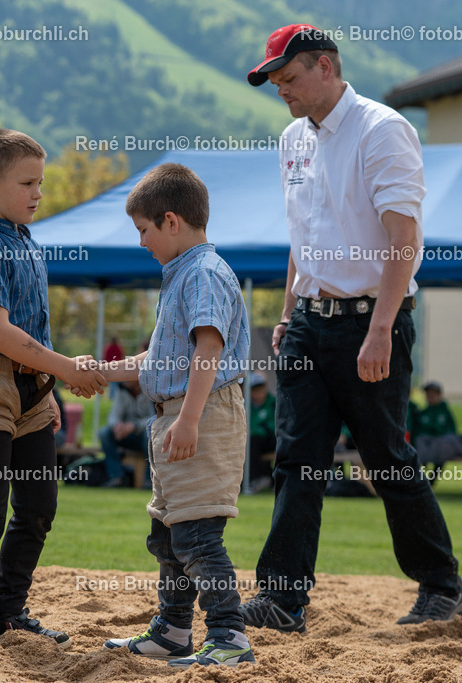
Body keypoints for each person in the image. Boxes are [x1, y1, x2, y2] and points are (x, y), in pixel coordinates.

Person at [243, 24, 462, 630]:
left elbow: (405, 239)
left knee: (385, 460)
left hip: (372, 323)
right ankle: (282, 598)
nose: (282, 92)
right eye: (275, 83)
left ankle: (442, 586)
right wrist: (290, 312)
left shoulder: (383, 128)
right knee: (295, 462)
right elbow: (302, 235)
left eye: (289, 79)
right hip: (307, 325)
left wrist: (381, 329)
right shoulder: (293, 138)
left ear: (325, 65)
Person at [0, 128, 106, 649]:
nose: (39, 192)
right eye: (28, 182)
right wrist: (65, 369)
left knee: (38, 507)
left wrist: (48, 389)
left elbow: (32, 330)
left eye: (41, 181)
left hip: (31, 393)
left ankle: (9, 609)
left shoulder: (24, 239)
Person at [98, 163, 255, 669]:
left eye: (143, 230)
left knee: (197, 533)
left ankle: (230, 635)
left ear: (170, 221)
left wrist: (188, 421)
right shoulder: (183, 274)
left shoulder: (204, 273)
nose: (141, 242)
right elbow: (161, 358)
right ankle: (173, 630)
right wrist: (103, 370)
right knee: (167, 532)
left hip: (202, 414)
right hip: (177, 413)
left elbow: (208, 348)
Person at [98, 378, 154, 488]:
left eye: (128, 375)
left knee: (149, 435)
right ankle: (117, 477)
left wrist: (134, 426)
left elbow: (156, 417)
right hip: (125, 434)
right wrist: (117, 426)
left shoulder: (151, 391)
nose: (124, 378)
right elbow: (113, 415)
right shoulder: (121, 390)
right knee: (104, 433)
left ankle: (150, 480)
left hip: (145, 435)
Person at [248, 372, 277, 493]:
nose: (257, 393)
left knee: (254, 441)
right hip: (255, 440)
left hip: (272, 439)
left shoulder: (273, 402)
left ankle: (256, 478)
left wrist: (257, 429)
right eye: (254, 390)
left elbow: (274, 424)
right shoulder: (247, 405)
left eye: (260, 389)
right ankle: (262, 477)